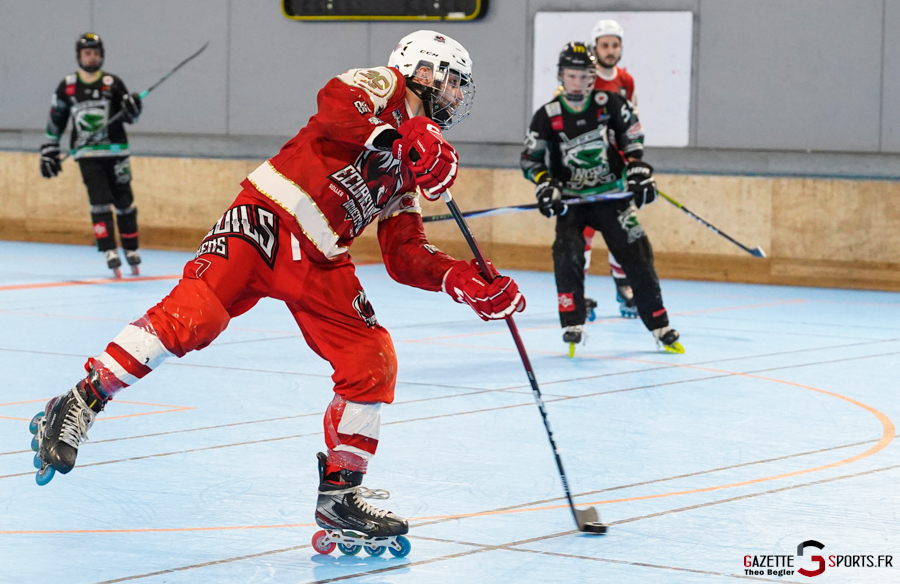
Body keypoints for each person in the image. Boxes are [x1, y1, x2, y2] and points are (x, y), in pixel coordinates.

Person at [29, 30, 525, 556]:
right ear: (423, 71)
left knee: (371, 359)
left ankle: (340, 495)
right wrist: (402, 137)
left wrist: (462, 278)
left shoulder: (414, 161)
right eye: (453, 82)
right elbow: (335, 104)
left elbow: (404, 253)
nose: (457, 95)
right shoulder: (385, 86)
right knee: (195, 316)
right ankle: (80, 400)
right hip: (267, 218)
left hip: (323, 257)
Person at [520, 42, 681, 354]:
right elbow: (530, 159)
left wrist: (637, 169)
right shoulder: (547, 115)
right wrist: (544, 184)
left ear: (593, 77)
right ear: (561, 76)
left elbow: (632, 137)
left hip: (612, 197)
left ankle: (659, 324)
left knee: (638, 255)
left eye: (583, 76)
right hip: (571, 202)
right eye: (571, 75)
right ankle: (572, 322)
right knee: (567, 256)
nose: (577, 83)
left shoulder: (610, 103)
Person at [40, 33, 144, 277]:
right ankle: (109, 249)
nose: (92, 57)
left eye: (96, 53)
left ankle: (131, 247)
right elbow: (57, 117)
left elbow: (130, 117)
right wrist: (49, 148)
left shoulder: (112, 83)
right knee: (99, 201)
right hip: (87, 154)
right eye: (87, 53)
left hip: (116, 152)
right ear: (79, 56)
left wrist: (134, 107)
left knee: (124, 201)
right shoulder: (68, 85)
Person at [583, 19, 640, 319]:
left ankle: (624, 288)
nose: (610, 50)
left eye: (615, 45)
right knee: (584, 232)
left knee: (622, 229)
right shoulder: (584, 79)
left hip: (617, 169)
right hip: (587, 169)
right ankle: (578, 291)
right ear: (596, 48)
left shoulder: (626, 80)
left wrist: (633, 162)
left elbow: (631, 122)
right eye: (604, 45)